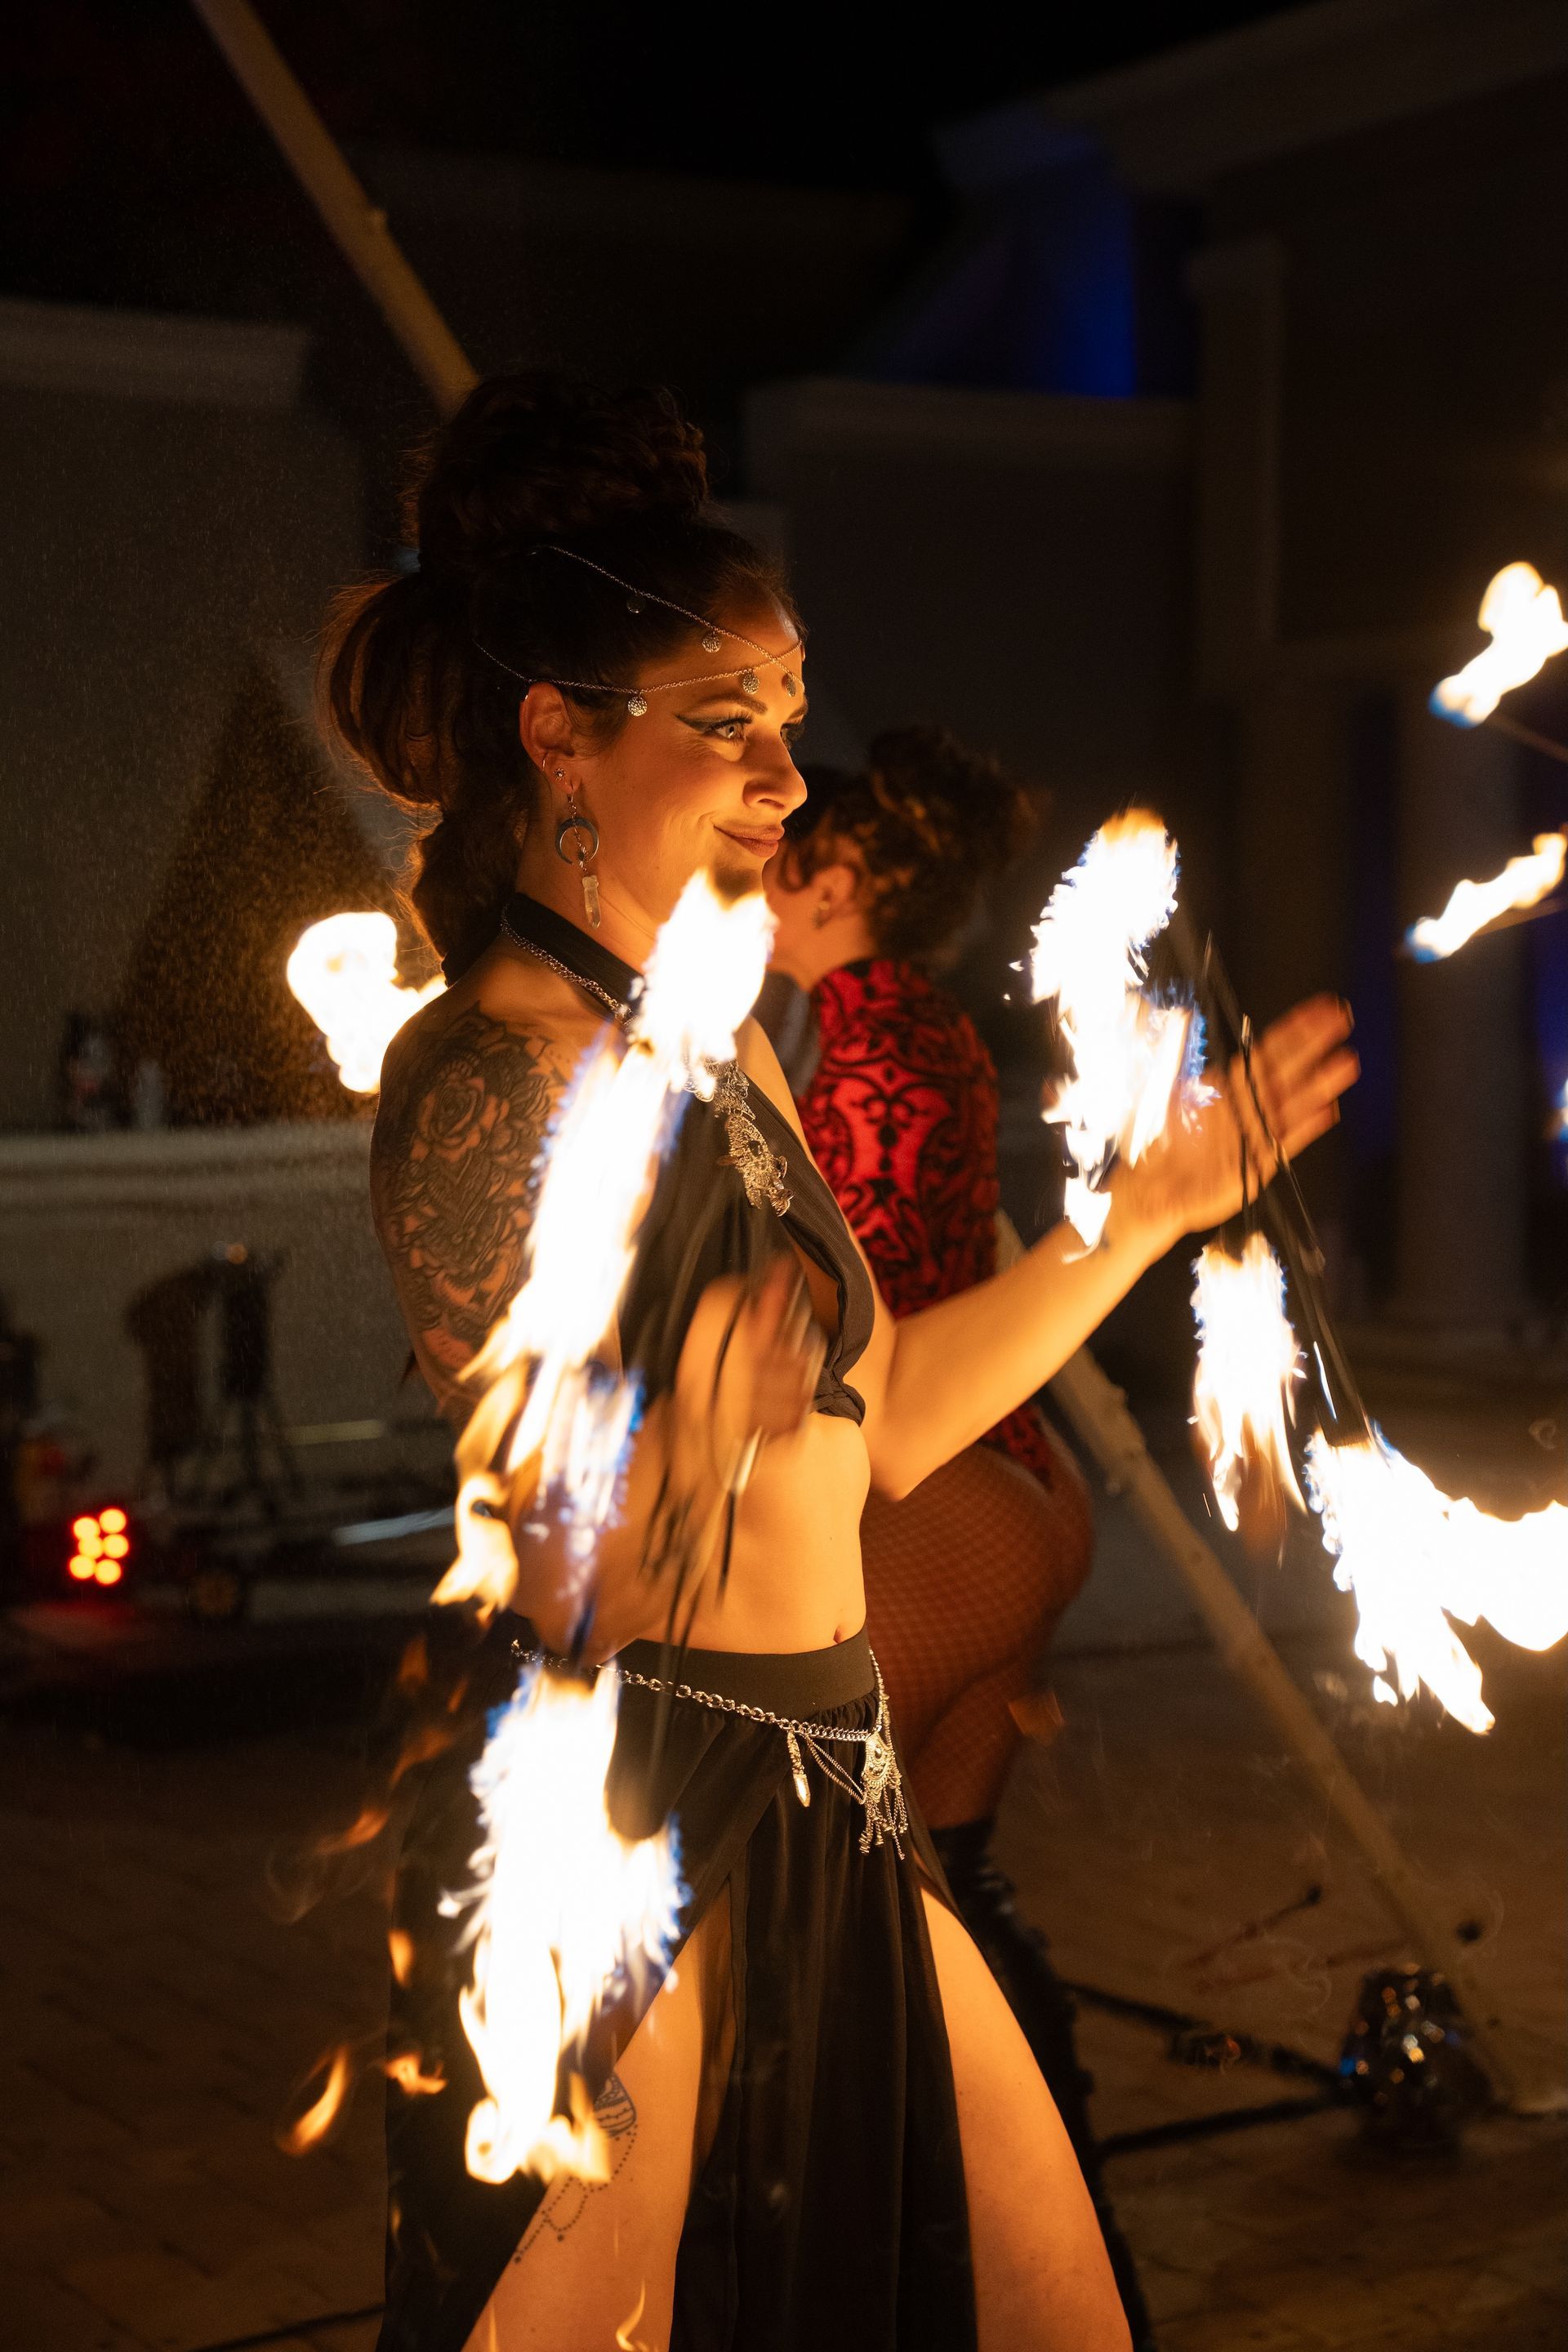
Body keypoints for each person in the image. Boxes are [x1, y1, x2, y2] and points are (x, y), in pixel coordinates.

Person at [320, 371, 1356, 2352]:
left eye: (789, 721)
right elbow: (559, 1583)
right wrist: (684, 1448)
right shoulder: (486, 1088)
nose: (792, 783)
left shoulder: (719, 1059)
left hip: (840, 1797)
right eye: (732, 728)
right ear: (559, 735)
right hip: (651, 1835)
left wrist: (1134, 1220)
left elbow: (893, 1434)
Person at [761, 730, 1150, 2344]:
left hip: (944, 1499)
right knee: (957, 1897)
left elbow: (861, 1327)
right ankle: (1067, 2275)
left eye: (784, 865)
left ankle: (932, 2273)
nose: (759, 886)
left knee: (822, 1875)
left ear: (843, 885)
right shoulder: (920, 1023)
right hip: (1023, 1492)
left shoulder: (843, 1057)